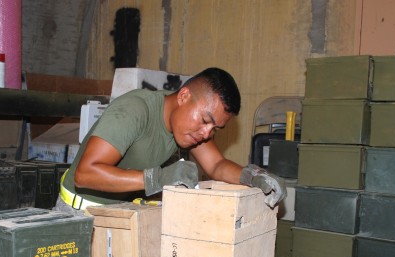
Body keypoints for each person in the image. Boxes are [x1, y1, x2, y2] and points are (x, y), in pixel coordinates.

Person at [57, 67, 286, 211]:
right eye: (206, 120)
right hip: (77, 214)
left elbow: (216, 165)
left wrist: (253, 176)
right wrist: (158, 178)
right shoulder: (135, 110)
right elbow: (85, 175)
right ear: (184, 96)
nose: (207, 133)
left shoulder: (187, 129)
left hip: (119, 215)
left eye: (216, 128)